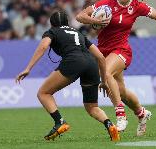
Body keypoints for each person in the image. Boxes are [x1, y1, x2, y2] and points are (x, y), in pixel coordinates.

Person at [76, 0, 156, 135]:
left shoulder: (137, 6)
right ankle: (142, 113)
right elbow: (80, 16)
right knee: (121, 91)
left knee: (107, 73)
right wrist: (93, 19)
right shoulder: (108, 2)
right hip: (103, 50)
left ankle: (121, 115)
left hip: (121, 50)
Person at [15, 11, 120, 141]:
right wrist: (104, 81)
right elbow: (100, 57)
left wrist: (28, 68)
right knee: (92, 107)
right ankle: (110, 124)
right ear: (67, 22)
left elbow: (43, 47)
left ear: (52, 23)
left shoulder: (52, 31)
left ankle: (60, 122)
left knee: (43, 93)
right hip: (91, 64)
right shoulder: (78, 33)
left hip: (73, 61)